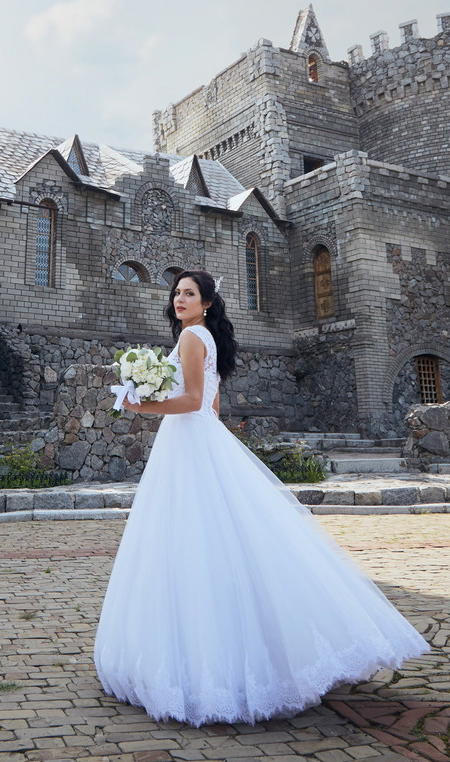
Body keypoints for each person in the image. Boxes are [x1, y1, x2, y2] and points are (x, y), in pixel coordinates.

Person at [94, 270, 429, 727]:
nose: (179, 299)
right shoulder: (208, 339)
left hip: (188, 441)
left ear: (207, 303)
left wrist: (140, 404)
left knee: (186, 536)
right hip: (199, 439)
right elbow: (212, 406)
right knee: (220, 535)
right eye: (176, 293)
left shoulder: (191, 337)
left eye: (189, 293)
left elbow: (192, 400)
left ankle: (207, 668)